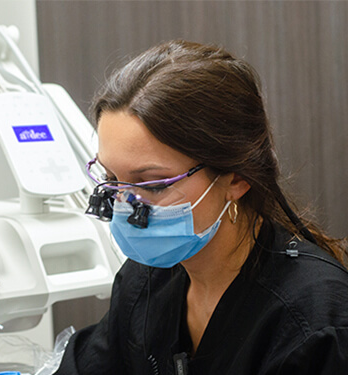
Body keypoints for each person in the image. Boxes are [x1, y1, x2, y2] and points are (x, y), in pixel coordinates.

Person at [54, 40, 348, 375]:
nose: (125, 205)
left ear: (235, 178)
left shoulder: (315, 324)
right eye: (113, 179)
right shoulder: (147, 281)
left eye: (153, 184)